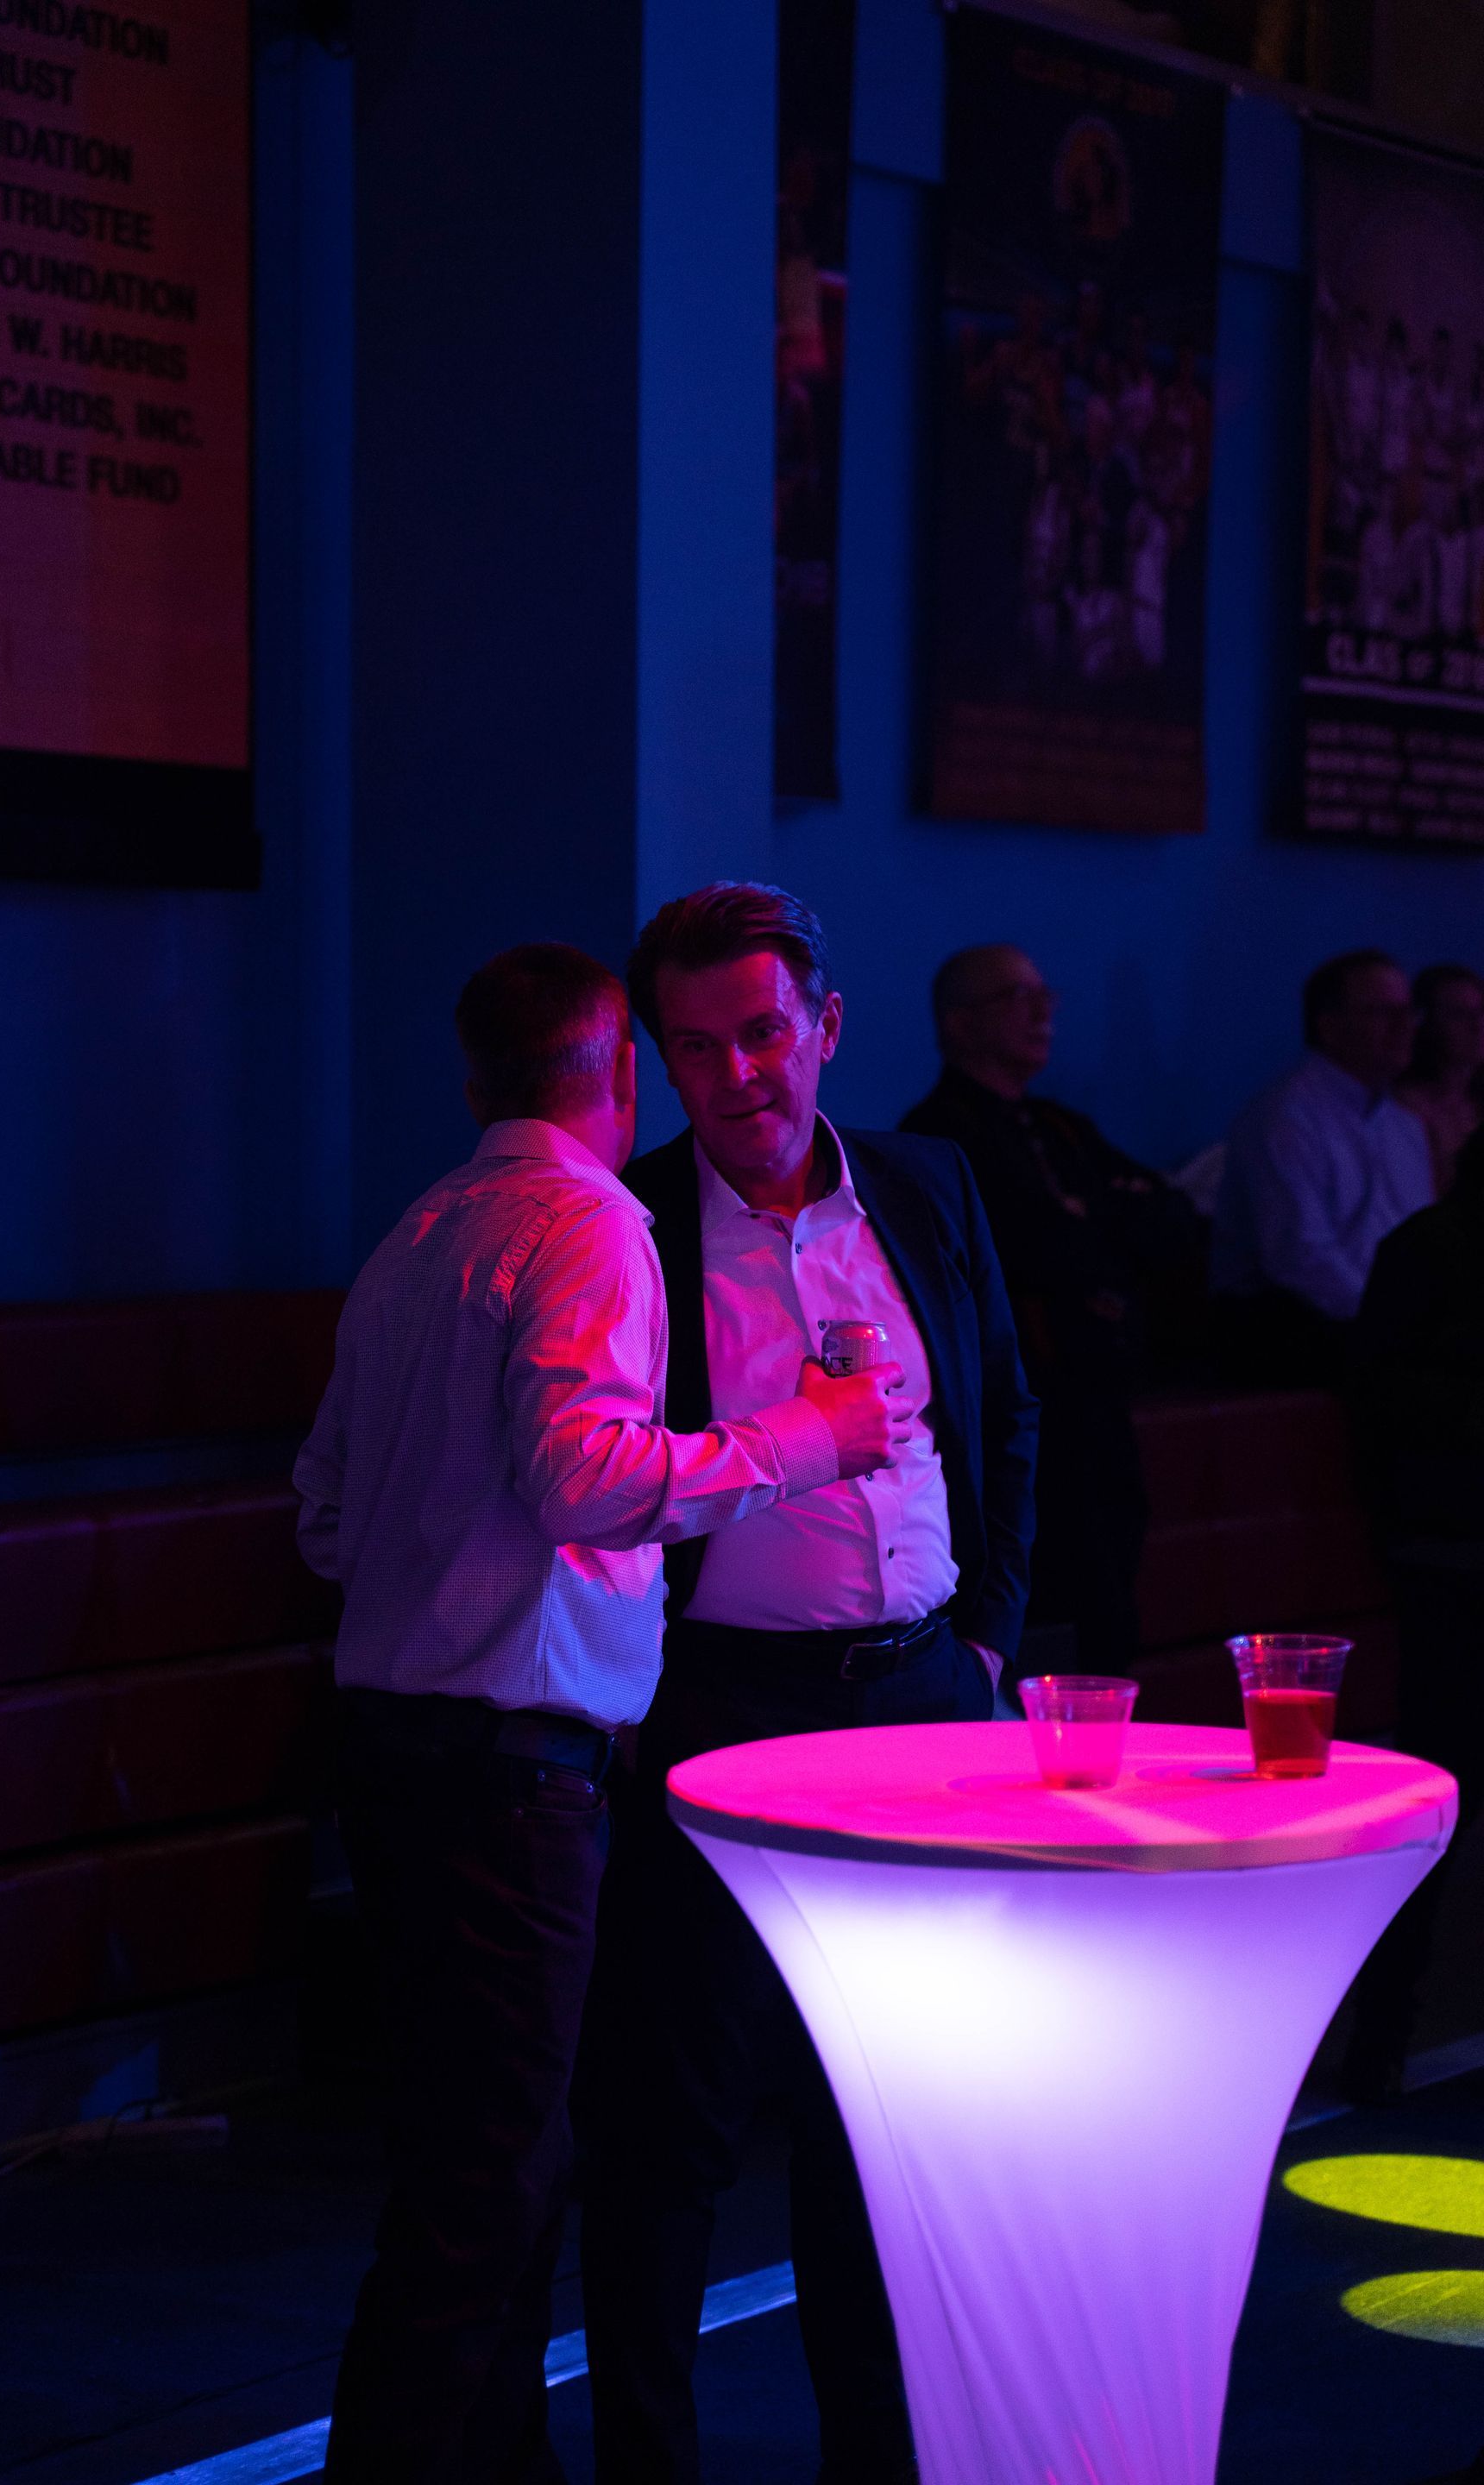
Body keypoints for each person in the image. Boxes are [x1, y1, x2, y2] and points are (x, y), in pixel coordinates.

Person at [293, 942, 908, 2485]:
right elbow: (586, 1479)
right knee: (486, 2195)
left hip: (393, 1749)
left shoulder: (414, 1233)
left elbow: (320, 1512)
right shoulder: (593, 1224)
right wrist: (809, 1437)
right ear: (620, 1073)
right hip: (511, 1770)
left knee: (483, 2166)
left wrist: (449, 1564)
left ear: (472, 1075)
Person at [579, 885, 1037, 2485]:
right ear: (659, 1063)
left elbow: (1010, 1419)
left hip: (923, 1702)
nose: (740, 1076)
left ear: (828, 1027)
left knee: (891, 2128)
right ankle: (649, 2467)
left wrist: (984, 1635)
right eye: (695, 1048)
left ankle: (883, 2465)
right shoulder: (627, 1230)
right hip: (722, 1707)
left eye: (765, 1033)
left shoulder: (932, 1185)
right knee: (670, 2127)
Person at [900, 944, 1202, 1671]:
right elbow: (1026, 1251)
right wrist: (1088, 1229)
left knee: (1113, 1596)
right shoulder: (936, 1138)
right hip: (1024, 1410)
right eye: (1014, 997)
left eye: (1045, 995)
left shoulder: (1061, 1129)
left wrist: (1084, 1224)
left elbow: (1172, 1219)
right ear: (960, 1023)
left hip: (1104, 1394)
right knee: (1055, 1603)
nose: (1041, 1013)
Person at [1343, 1122, 1484, 2104]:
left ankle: (1378, 2046)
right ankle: (1380, 2041)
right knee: (1436, 1806)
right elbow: (1383, 1405)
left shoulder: (1422, 1247)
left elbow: (1374, 1407)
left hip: (1442, 1553)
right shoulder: (1429, 1252)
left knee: (1434, 1809)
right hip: (1452, 1556)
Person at [1211, 950, 1431, 1382]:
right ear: (1328, 1026)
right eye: (1383, 1013)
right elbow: (1300, 1259)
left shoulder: (1404, 1127)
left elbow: (1416, 1243)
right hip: (1281, 1322)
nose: (1405, 1028)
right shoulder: (1285, 1119)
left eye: (1409, 1012)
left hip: (1369, 1318)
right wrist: (1397, 1323)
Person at [1395, 961, 1484, 1196]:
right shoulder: (1406, 1109)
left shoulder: (1475, 1102)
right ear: (1426, 1024)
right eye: (1459, 1015)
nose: (1477, 1025)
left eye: (1481, 1011)